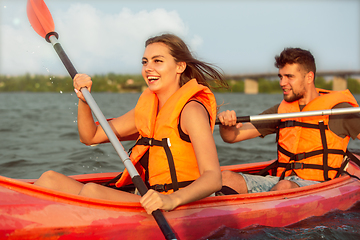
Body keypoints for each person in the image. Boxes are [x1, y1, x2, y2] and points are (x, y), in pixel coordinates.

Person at [34, 33, 228, 214]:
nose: (148, 68)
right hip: (147, 198)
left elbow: (212, 178)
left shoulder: (191, 111)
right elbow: (90, 136)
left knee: (92, 193)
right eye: (145, 62)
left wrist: (171, 200)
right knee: (49, 180)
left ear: (180, 66)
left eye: (157, 61)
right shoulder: (148, 110)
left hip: (180, 205)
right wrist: (84, 100)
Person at [218, 47, 360, 195]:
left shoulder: (340, 111)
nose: (282, 82)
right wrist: (226, 125)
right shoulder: (281, 111)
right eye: (280, 77)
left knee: (284, 187)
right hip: (281, 181)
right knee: (225, 178)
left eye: (289, 76)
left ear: (309, 77)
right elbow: (232, 137)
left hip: (319, 186)